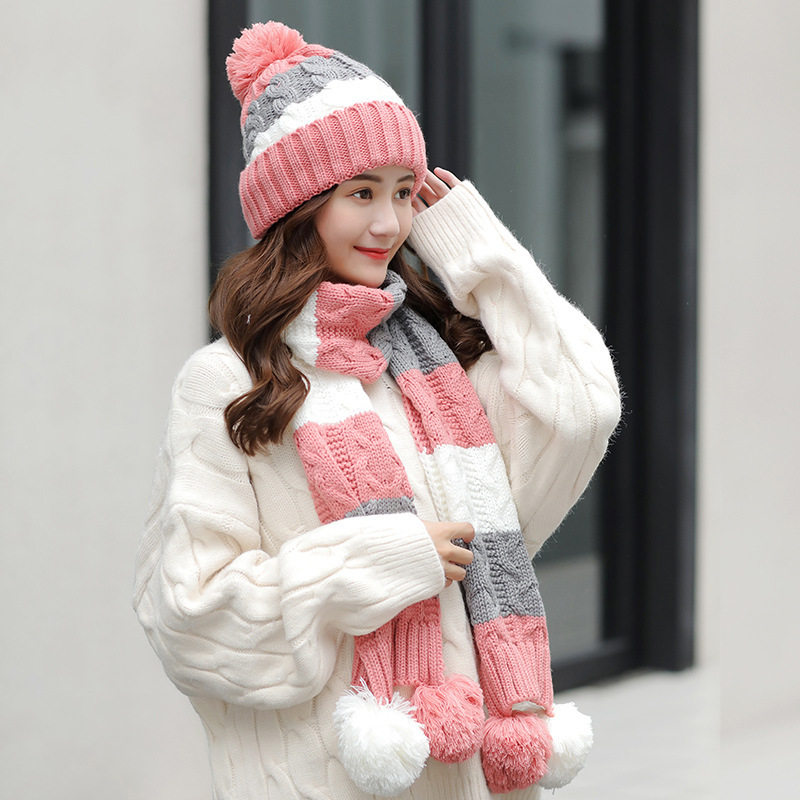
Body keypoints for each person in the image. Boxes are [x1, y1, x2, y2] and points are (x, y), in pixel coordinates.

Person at [133, 21, 621, 800]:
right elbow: (192, 620)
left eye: (403, 192)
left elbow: (583, 406)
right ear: (298, 207)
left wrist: (480, 253)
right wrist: (370, 564)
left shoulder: (441, 372)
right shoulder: (228, 384)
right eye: (361, 193)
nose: (390, 224)